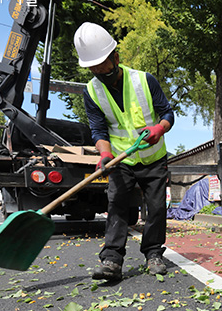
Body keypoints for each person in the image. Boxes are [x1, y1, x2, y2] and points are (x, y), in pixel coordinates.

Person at [73, 22, 174, 281]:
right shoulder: (92, 92)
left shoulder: (143, 80)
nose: (98, 71)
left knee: (156, 207)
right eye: (92, 67)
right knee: (116, 204)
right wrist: (104, 154)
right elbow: (99, 130)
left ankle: (153, 254)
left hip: (152, 158)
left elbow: (168, 113)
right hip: (122, 159)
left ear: (115, 57)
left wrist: (158, 130)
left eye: (102, 64)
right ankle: (112, 260)